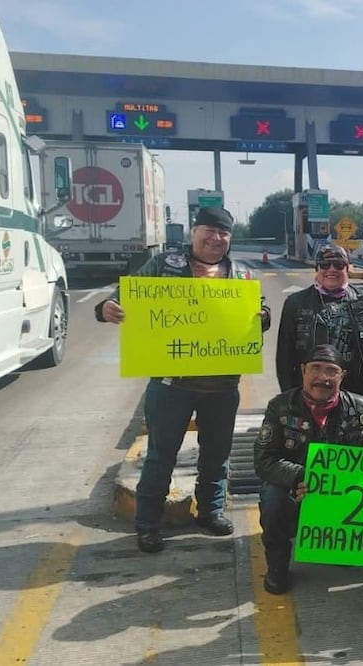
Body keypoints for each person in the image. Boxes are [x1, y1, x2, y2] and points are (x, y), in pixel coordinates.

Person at [95, 206, 271, 554]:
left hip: (221, 386)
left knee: (217, 454)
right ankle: (147, 524)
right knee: (161, 455)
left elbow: (261, 311)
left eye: (223, 233)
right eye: (208, 230)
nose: (215, 239)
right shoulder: (163, 265)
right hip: (170, 385)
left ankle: (210, 511)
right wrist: (106, 308)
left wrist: (261, 315)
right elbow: (122, 295)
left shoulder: (241, 275)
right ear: (193, 232)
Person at [254, 345, 363, 594]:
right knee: (272, 498)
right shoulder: (279, 407)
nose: (323, 378)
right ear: (303, 371)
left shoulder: (362, 409)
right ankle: (277, 566)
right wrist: (302, 477)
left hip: (341, 491)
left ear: (342, 376)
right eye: (315, 369)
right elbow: (264, 461)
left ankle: (336, 544)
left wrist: (338, 483)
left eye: (332, 371)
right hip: (294, 486)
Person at [276, 244, 363, 404]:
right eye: (325, 265)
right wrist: (289, 393)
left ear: (347, 268)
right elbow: (284, 355)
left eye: (339, 265)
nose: (331, 270)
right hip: (311, 390)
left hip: (355, 391)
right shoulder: (295, 303)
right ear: (316, 269)